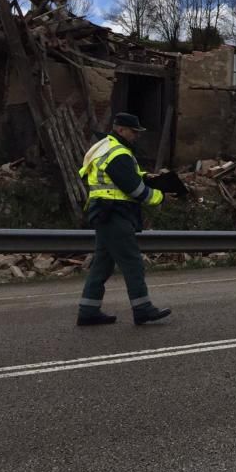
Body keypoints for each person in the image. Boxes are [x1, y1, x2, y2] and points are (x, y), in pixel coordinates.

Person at [76, 112, 172, 326]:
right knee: (133, 263)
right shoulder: (118, 153)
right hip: (114, 213)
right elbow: (135, 189)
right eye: (133, 132)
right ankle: (143, 309)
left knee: (102, 264)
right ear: (120, 130)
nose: (136, 136)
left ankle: (88, 311)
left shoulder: (105, 146)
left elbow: (128, 177)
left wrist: (149, 178)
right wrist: (161, 196)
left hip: (104, 211)